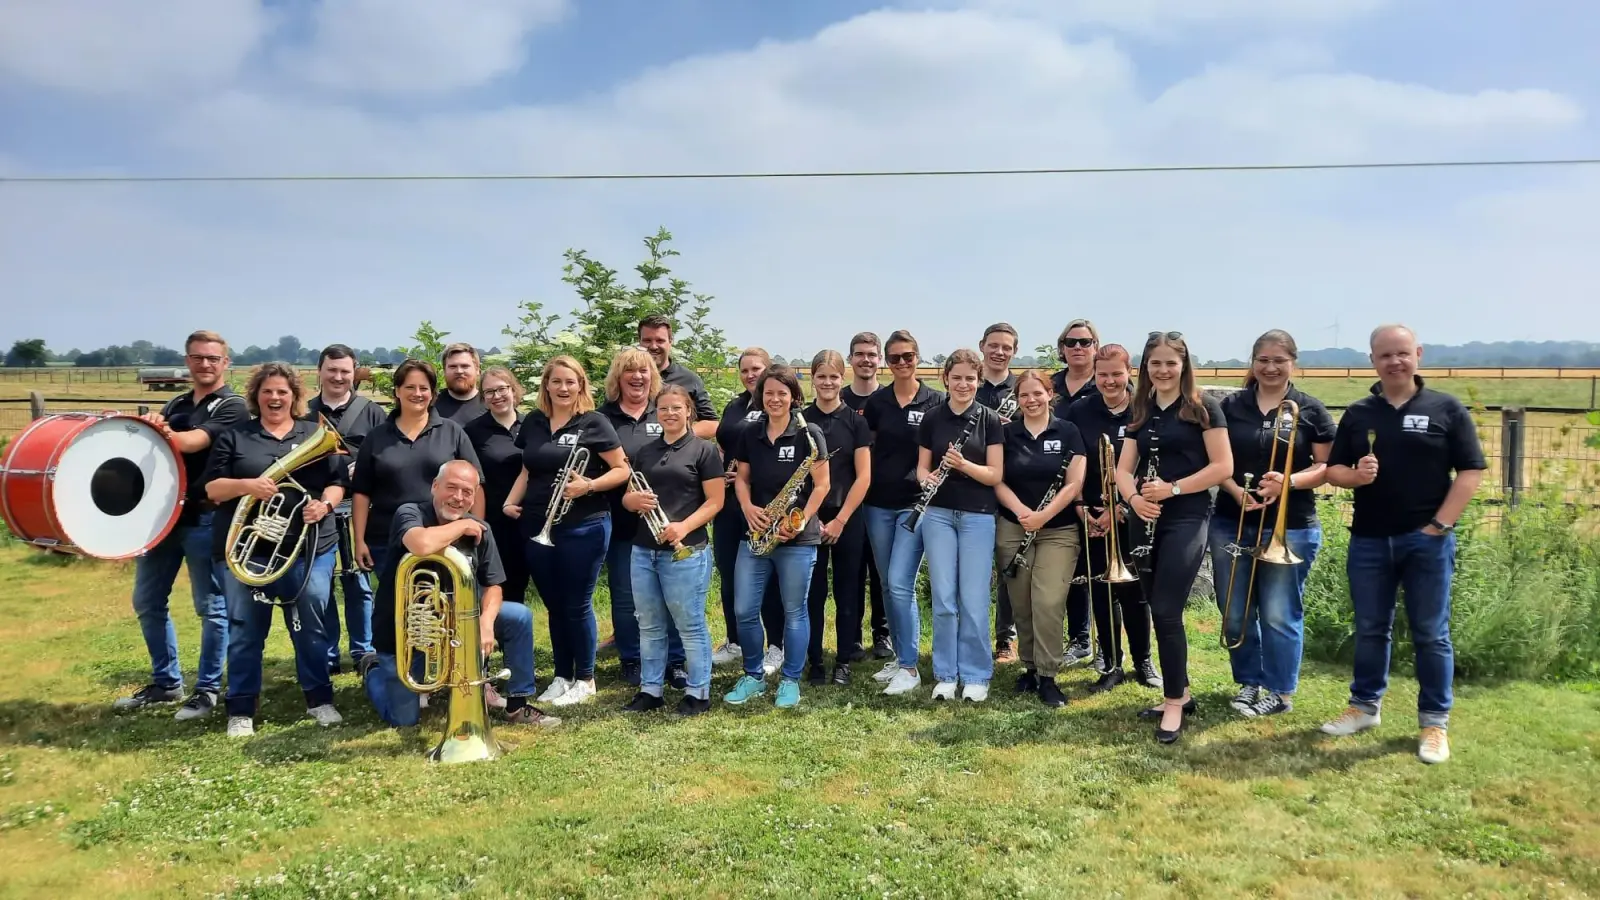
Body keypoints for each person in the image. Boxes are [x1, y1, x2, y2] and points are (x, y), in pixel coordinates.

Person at [1321, 324, 1486, 765]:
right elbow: (1332, 470)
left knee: (1431, 634)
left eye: (1402, 353)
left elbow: (1470, 471)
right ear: (1372, 361)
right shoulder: (1359, 413)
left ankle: (1434, 723)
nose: (1395, 361)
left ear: (1418, 354)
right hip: (1369, 540)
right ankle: (1364, 707)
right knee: (1371, 629)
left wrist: (1440, 524)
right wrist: (1355, 476)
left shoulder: (1446, 408)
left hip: (1426, 542)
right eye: (1385, 355)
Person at [201, 362, 345, 736]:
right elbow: (212, 489)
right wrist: (248, 486)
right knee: (246, 628)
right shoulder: (236, 436)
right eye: (268, 391)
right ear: (256, 396)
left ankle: (320, 699)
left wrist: (324, 505)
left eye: (283, 391)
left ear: (295, 396)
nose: (275, 398)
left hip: (309, 546)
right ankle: (241, 708)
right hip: (248, 550)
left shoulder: (314, 433)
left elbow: (336, 482)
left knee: (311, 624)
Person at [362, 460, 556, 729]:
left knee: (518, 616)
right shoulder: (409, 513)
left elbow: (494, 585)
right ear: (434, 486)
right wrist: (462, 527)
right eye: (451, 488)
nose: (458, 497)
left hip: (454, 625)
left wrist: (486, 623)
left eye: (467, 492)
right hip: (405, 634)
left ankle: (517, 704)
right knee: (404, 720)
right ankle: (373, 670)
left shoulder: (480, 528)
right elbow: (421, 543)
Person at [114, 330, 247, 720]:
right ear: (187, 361)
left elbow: (192, 443)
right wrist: (156, 420)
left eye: (212, 358)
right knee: (147, 601)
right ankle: (167, 683)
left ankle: (207, 690)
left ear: (226, 364)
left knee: (211, 606)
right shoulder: (177, 402)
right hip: (165, 517)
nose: (205, 364)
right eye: (197, 357)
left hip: (205, 515)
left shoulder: (233, 406)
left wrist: (160, 428)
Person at [1209, 330, 1336, 718]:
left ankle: (1280, 692)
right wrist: (1233, 491)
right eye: (1262, 360)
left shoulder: (1309, 409)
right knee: (1235, 610)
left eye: (1278, 360)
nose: (1270, 367)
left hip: (1291, 523)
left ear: (1292, 363)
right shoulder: (1230, 406)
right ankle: (1249, 682)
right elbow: (1214, 459)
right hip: (1234, 520)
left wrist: (1289, 482)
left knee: (1279, 613)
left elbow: (1327, 467)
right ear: (1252, 362)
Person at [1115, 332, 1233, 744]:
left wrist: (1174, 489)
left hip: (1185, 515)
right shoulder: (1140, 408)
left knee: (1166, 609)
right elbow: (1123, 468)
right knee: (1155, 606)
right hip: (1143, 517)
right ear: (1145, 368)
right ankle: (1180, 693)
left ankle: (1172, 704)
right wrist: (1132, 498)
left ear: (1184, 365)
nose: (1162, 370)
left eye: (1170, 363)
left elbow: (1222, 466)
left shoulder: (1203, 408)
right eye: (1154, 363)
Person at [503, 355, 631, 708]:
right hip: (537, 524)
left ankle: (586, 678)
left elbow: (622, 470)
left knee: (576, 603)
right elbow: (527, 472)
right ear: (546, 385)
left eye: (570, 382)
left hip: (583, 526)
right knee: (555, 604)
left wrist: (588, 486)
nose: (563, 388)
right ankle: (562, 675)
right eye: (556, 381)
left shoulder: (594, 422)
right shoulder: (533, 421)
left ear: (580, 386)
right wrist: (509, 502)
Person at [724, 365, 831, 709]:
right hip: (757, 533)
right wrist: (748, 507)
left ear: (793, 396)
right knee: (743, 610)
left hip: (796, 538)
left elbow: (823, 485)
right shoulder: (749, 433)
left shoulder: (809, 433)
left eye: (782, 393)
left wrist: (800, 521)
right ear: (761, 396)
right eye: (768, 393)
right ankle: (753, 675)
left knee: (794, 611)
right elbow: (741, 479)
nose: (775, 399)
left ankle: (790, 680)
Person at [621, 384, 726, 715]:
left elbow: (716, 501)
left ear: (688, 411)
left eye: (676, 408)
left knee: (689, 623)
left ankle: (698, 692)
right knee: (649, 623)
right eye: (663, 408)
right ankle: (650, 690)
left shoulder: (703, 451)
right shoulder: (645, 452)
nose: (669, 414)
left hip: (687, 550)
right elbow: (628, 495)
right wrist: (631, 500)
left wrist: (683, 526)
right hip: (644, 550)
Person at [1063, 344, 1160, 693]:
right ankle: (1111, 662)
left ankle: (1144, 659)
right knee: (1101, 589)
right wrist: (1080, 505)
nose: (1109, 381)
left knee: (1135, 592)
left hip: (1132, 512)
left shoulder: (1145, 409)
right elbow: (1069, 461)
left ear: (1129, 371)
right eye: (1102, 374)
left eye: (1116, 374)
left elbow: (1150, 463)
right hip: (1090, 513)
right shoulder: (1080, 410)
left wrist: (1123, 506)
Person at [916, 349, 1005, 702]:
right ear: (946, 379)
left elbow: (996, 474)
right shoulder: (932, 418)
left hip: (978, 516)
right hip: (938, 514)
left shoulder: (990, 420)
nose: (964, 384)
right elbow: (921, 468)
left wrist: (963, 465)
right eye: (958, 378)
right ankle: (945, 674)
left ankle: (976, 674)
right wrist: (926, 479)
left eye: (971, 378)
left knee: (973, 598)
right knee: (944, 598)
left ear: (978, 381)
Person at [994, 370, 1085, 708]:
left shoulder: (1068, 431)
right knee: (1021, 602)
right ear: (1017, 399)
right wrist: (1022, 513)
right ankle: (1029, 668)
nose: (1031, 401)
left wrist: (1043, 517)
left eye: (1037, 393)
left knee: (1047, 601)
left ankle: (1048, 675)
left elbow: (1074, 483)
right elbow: (997, 480)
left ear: (1050, 394)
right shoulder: (1006, 434)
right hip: (1014, 526)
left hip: (1058, 530)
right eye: (1024, 396)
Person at [861, 330, 945, 696]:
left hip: (916, 505)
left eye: (908, 356)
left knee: (900, 583)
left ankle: (910, 667)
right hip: (878, 503)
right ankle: (898, 655)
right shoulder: (878, 403)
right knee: (886, 583)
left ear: (917, 358)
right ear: (886, 362)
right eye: (894, 358)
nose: (901, 363)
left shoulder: (935, 402)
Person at [598, 347, 686, 689]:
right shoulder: (602, 418)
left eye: (644, 371)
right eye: (629, 371)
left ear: (653, 376)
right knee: (625, 595)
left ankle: (676, 660)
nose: (637, 377)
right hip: (623, 521)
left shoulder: (662, 411)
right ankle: (632, 658)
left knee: (671, 594)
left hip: (667, 521)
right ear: (617, 378)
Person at [350, 358, 483, 578]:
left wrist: (476, 531)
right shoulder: (376, 437)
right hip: (386, 540)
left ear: (433, 394)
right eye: (410, 387)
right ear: (397, 391)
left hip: (446, 538)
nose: (417, 393)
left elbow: (475, 485)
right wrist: (360, 541)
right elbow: (362, 493)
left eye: (424, 388)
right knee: (396, 608)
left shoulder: (452, 432)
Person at [308, 343, 387, 675]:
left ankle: (364, 649)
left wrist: (366, 469)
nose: (339, 377)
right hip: (318, 506)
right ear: (320, 371)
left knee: (359, 580)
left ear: (354, 372)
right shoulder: (304, 409)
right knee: (322, 583)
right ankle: (328, 653)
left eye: (345, 371)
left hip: (361, 504)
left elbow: (387, 452)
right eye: (332, 370)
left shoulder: (372, 412)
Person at [710, 348, 784, 672]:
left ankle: (776, 646)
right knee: (729, 573)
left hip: (763, 504)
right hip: (729, 502)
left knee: (766, 577)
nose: (750, 374)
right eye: (745, 370)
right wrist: (723, 470)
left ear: (768, 369)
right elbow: (723, 445)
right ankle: (735, 640)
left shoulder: (775, 403)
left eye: (757, 369)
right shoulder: (734, 406)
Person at [463, 365, 532, 710]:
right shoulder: (473, 431)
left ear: (514, 390)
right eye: (489, 391)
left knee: (540, 603)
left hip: (534, 526)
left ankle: (539, 672)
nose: (497, 395)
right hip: (494, 529)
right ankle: (487, 677)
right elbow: (473, 482)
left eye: (502, 388)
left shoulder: (534, 423)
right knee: (498, 601)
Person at [802, 350, 873, 685]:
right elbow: (800, 477)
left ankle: (843, 659)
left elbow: (863, 476)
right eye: (821, 376)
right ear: (812, 379)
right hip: (810, 517)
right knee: (812, 592)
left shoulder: (856, 421)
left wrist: (842, 519)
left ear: (842, 379)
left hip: (847, 516)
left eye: (833, 376)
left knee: (848, 589)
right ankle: (814, 659)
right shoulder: (801, 420)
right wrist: (811, 517)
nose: (828, 383)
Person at [1052, 318, 1102, 667]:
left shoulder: (1107, 383)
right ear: (1062, 348)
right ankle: (1080, 638)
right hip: (1055, 489)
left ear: (1095, 346)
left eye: (1085, 342)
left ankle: (1108, 644)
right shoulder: (1050, 385)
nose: (1078, 348)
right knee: (1070, 570)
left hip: (1099, 488)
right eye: (1071, 342)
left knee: (1101, 568)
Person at [842, 331, 893, 661]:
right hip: (845, 498)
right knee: (851, 572)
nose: (865, 360)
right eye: (859, 354)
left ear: (880, 361)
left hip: (884, 497)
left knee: (882, 571)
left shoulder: (889, 400)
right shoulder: (839, 396)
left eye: (872, 354)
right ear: (851, 359)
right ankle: (854, 636)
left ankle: (883, 635)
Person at [975, 323, 1023, 665]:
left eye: (1006, 347)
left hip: (1010, 489)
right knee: (975, 571)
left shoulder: (1021, 390)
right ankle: (972, 636)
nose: (999, 352)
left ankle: (1006, 638)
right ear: (982, 346)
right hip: (972, 490)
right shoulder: (968, 385)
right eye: (993, 345)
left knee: (1009, 570)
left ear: (1014, 351)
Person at [638, 314, 718, 438]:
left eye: (660, 340)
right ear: (639, 342)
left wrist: (680, 436)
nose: (653, 346)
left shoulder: (689, 379)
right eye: (647, 340)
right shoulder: (628, 378)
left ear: (670, 342)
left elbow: (712, 423)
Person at [434, 343, 487, 424]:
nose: (459, 371)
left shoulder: (490, 404)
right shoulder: (431, 404)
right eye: (453, 366)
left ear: (478, 371)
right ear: (444, 371)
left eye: (465, 366)